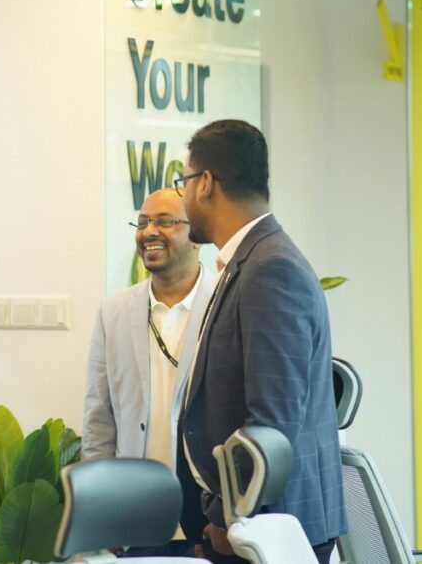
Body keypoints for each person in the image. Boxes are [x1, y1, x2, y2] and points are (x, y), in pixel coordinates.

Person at [176, 120, 346, 564]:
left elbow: (270, 426)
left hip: (268, 530)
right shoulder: (250, 260)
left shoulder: (270, 269)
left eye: (183, 181)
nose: (182, 197)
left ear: (206, 183)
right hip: (256, 524)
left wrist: (228, 516)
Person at [82, 187, 214, 558]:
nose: (149, 231)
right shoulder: (115, 311)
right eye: (142, 223)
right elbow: (99, 419)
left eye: (165, 221)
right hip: (135, 515)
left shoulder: (224, 304)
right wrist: (99, 508)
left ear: (197, 237)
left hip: (207, 519)